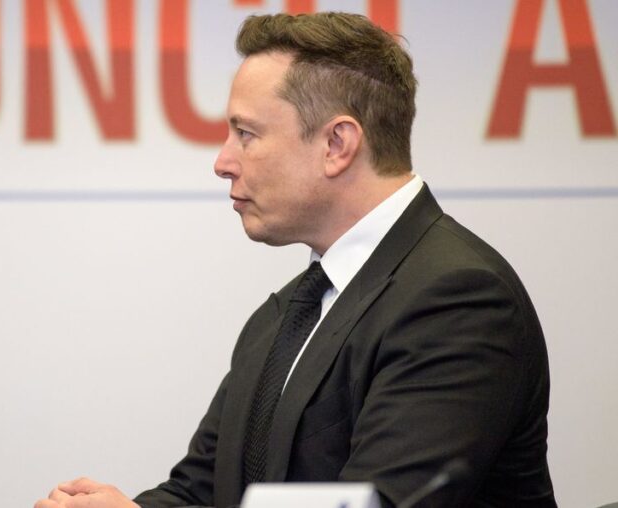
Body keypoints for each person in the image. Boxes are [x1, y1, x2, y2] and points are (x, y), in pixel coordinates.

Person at [35, 11, 555, 508]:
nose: (222, 162)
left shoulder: (457, 301)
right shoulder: (283, 316)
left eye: (247, 134)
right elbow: (202, 492)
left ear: (336, 144)